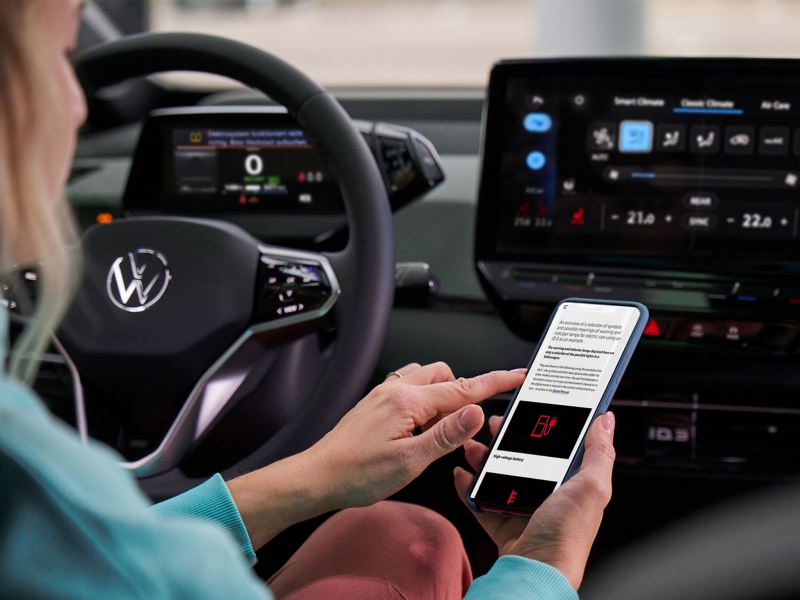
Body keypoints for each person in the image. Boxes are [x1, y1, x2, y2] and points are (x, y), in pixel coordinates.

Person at [0, 1, 616, 598]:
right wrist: (541, 567)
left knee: (400, 531)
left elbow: (107, 555)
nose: (79, 106)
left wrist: (316, 472)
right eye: (60, 57)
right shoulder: (22, 466)